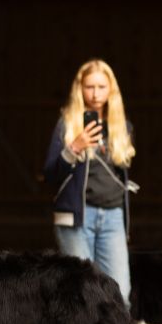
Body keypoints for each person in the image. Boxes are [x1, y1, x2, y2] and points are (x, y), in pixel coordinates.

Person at [43, 58, 136, 309]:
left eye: (101, 87)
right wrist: (74, 148)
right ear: (80, 89)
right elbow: (50, 174)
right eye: (90, 87)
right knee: (81, 292)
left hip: (112, 216)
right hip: (76, 218)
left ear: (111, 90)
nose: (95, 94)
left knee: (120, 294)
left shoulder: (121, 127)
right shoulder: (67, 124)